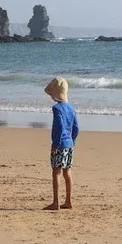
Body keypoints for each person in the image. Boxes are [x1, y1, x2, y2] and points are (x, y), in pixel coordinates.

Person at [44, 77, 79, 211]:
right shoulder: (71, 107)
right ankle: (68, 200)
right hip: (69, 144)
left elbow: (58, 127)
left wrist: (55, 144)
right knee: (67, 171)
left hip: (60, 144)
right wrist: (73, 141)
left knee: (56, 172)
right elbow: (76, 128)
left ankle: (56, 202)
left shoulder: (57, 108)